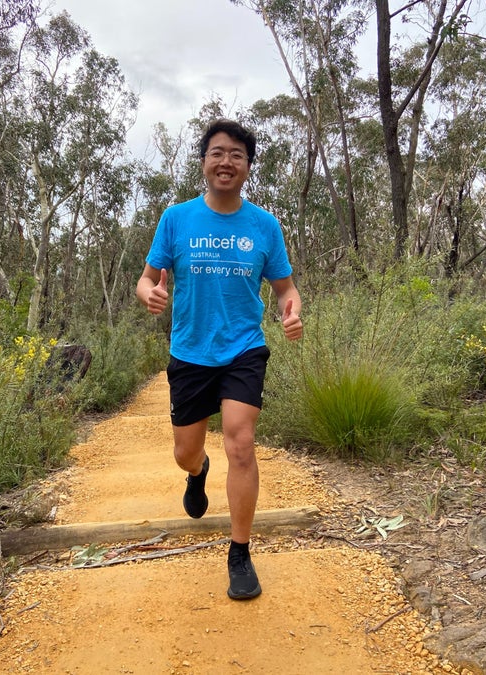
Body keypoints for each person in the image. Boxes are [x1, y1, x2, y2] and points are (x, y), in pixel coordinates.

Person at [136, 118, 303, 601]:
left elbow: (285, 288)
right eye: (217, 153)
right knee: (186, 452)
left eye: (235, 154)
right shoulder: (177, 219)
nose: (225, 161)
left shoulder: (264, 225)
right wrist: (151, 294)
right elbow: (146, 279)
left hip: (243, 349)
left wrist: (291, 311)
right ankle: (197, 472)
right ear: (204, 162)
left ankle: (240, 553)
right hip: (189, 352)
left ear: (248, 166)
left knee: (242, 444)